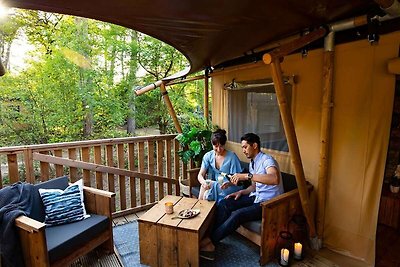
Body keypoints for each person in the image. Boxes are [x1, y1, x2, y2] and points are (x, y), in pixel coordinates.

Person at [200, 132, 284, 258]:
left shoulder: (267, 160)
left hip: (269, 203)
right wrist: (240, 192)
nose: (243, 151)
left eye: (245, 147)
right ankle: (207, 237)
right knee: (225, 203)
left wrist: (247, 176)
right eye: (242, 147)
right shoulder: (253, 163)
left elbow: (274, 178)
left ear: (254, 145)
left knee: (237, 214)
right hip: (256, 196)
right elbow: (255, 186)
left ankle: (209, 241)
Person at [197, 129, 243, 203]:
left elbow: (238, 180)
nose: (218, 149)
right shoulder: (208, 156)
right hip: (217, 184)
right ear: (212, 144)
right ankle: (201, 209)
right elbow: (200, 175)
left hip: (230, 186)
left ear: (224, 144)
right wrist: (203, 182)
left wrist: (229, 183)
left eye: (221, 146)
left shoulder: (232, 157)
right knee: (204, 186)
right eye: (216, 146)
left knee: (206, 194)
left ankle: (199, 209)